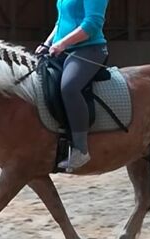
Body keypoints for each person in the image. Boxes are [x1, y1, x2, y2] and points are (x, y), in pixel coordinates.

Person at [36, 0, 110, 172]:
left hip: (90, 50)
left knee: (69, 87)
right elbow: (61, 21)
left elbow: (92, 24)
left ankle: (81, 149)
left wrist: (62, 43)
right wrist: (47, 44)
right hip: (64, 49)